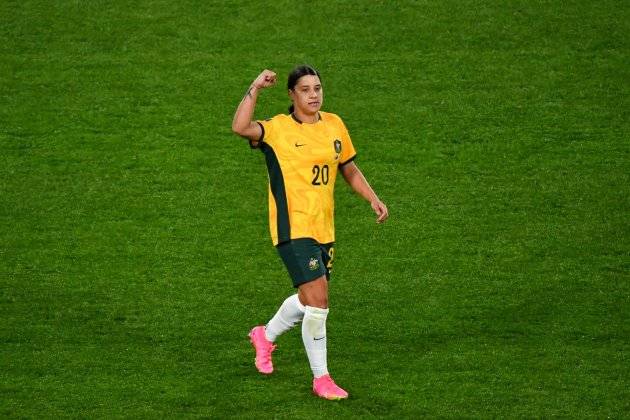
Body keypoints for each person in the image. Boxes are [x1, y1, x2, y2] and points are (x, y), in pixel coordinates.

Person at [231, 65, 389, 400]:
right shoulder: (278, 130)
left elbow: (348, 166)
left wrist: (372, 198)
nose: (314, 94)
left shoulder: (334, 124)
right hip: (293, 228)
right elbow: (240, 127)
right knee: (319, 301)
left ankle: (264, 335)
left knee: (307, 299)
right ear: (292, 94)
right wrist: (255, 86)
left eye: (317, 88)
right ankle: (322, 379)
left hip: (324, 227)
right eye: (305, 89)